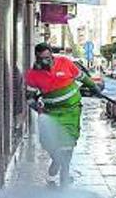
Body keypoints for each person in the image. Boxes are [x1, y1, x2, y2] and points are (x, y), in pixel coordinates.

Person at [25, 43, 98, 185]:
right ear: (37, 58)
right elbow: (29, 97)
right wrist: (37, 108)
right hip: (50, 112)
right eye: (41, 59)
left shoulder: (64, 63)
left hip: (71, 110)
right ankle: (56, 160)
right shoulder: (33, 75)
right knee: (48, 142)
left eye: (47, 57)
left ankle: (64, 175)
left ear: (52, 55)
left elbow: (81, 76)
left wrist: (93, 87)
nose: (45, 61)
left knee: (68, 143)